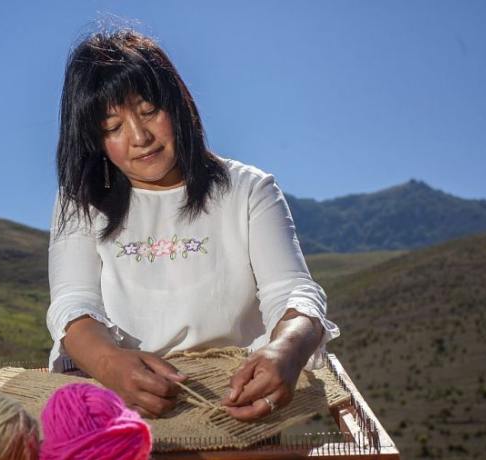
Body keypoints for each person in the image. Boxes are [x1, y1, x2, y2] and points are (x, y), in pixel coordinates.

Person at [46, 28, 340, 422]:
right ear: (94, 140)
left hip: (235, 401)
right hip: (122, 406)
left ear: (177, 102)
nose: (140, 137)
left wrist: (286, 349)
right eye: (113, 128)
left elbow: (292, 290)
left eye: (148, 111)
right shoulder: (80, 202)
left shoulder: (248, 189)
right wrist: (111, 364)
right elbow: (73, 303)